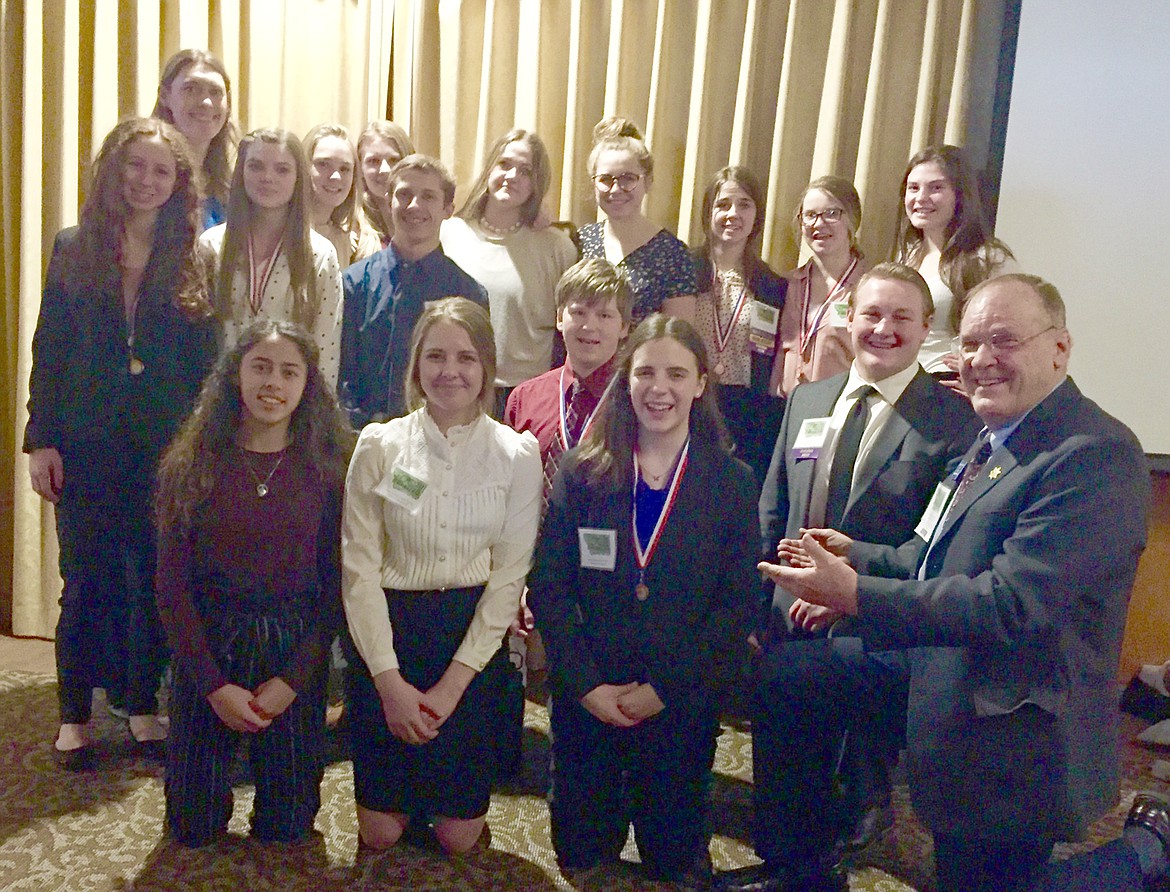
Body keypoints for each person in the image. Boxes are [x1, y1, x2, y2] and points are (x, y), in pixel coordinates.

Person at [724, 274, 1155, 892]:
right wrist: (859, 557)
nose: (981, 361)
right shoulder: (990, 440)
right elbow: (925, 558)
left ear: (1059, 348)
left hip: (1012, 716)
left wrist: (853, 594)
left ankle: (1142, 852)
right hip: (943, 662)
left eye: (1002, 342)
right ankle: (804, 871)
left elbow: (1012, 603)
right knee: (796, 679)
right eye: (971, 343)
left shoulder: (1093, 454)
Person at [527, 315, 759, 888]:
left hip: (678, 705)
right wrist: (585, 686)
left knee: (672, 860)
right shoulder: (583, 472)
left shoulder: (731, 482)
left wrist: (663, 691)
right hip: (590, 703)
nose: (660, 388)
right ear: (625, 379)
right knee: (582, 855)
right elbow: (550, 587)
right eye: (646, 371)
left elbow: (736, 608)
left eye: (677, 374)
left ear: (702, 383)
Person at [756, 261, 978, 854]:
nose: (883, 327)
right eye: (872, 313)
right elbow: (773, 509)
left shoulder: (955, 422)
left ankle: (855, 821)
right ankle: (784, 855)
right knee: (784, 760)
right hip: (788, 608)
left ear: (927, 326)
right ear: (849, 319)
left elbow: (936, 548)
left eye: (902, 316)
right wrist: (761, 605)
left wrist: (847, 589)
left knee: (851, 784)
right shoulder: (808, 399)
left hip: (877, 621)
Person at [24, 117, 217, 769]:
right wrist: (39, 439)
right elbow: (48, 348)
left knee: (152, 581)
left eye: (162, 170)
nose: (147, 180)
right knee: (83, 581)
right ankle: (73, 714)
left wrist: (200, 452)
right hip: (84, 445)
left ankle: (140, 706)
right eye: (136, 165)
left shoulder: (191, 258)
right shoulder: (74, 245)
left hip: (163, 451)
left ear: (178, 184)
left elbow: (203, 367)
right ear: (114, 169)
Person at [341, 298, 542, 855]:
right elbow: (358, 571)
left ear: (487, 369)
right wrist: (388, 683)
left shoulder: (516, 453)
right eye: (435, 356)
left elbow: (508, 578)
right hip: (391, 632)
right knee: (380, 835)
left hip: (469, 639)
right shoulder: (380, 444)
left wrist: (454, 686)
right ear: (415, 367)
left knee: (458, 840)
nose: (450, 371)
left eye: (466, 357)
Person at [154, 320, 353, 847]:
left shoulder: (329, 470)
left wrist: (293, 681)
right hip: (211, 641)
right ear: (234, 375)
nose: (273, 383)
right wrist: (213, 686)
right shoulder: (190, 464)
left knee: (286, 830)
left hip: (294, 645)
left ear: (307, 385)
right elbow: (172, 589)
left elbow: (335, 590)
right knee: (191, 829)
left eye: (290, 372)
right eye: (260, 367)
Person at [339, 154, 487, 428]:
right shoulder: (354, 283)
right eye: (404, 194)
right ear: (388, 200)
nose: (414, 205)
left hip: (441, 439)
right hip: (362, 437)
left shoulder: (469, 293)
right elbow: (340, 372)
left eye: (428, 196)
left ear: (448, 209)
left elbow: (475, 382)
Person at [441, 128, 577, 411]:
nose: (512, 176)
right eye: (504, 164)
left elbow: (566, 332)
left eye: (525, 171)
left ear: (536, 183)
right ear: (490, 168)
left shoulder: (557, 247)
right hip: (456, 385)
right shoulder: (449, 233)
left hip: (526, 394)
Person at [199, 128, 344, 389]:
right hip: (221, 401)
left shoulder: (320, 255)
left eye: (282, 169)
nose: (267, 177)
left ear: (299, 177)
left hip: (287, 404)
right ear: (240, 173)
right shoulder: (211, 246)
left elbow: (326, 354)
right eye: (255, 166)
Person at [691, 166, 787, 485]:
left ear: (757, 215)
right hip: (692, 402)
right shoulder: (684, 272)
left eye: (744, 204)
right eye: (723, 204)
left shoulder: (772, 286)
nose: (733, 214)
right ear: (708, 212)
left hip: (748, 413)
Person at [894, 144, 1017, 379]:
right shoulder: (906, 257)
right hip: (902, 383)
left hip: (950, 388)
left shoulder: (988, 259)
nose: (921, 198)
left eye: (936, 188)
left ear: (960, 195)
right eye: (913, 188)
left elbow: (1015, 331)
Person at [578, 117, 696, 324]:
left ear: (648, 182)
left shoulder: (673, 255)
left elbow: (677, 339)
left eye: (628, 179)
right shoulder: (579, 241)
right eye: (605, 179)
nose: (615, 189)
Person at [776, 176, 868, 396]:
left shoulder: (869, 289)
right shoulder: (786, 285)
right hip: (781, 412)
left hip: (837, 410)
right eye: (810, 215)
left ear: (852, 220)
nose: (818, 224)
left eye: (831, 214)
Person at [152, 49, 237, 231]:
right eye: (191, 89)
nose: (206, 102)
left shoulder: (230, 191)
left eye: (215, 92)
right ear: (165, 96)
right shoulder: (145, 179)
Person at [304, 123, 381, 267]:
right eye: (323, 164)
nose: (335, 176)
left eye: (345, 168)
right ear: (304, 167)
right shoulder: (284, 232)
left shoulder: (343, 241)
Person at [357, 120, 414, 247]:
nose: (385, 170)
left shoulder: (425, 218)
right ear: (360, 168)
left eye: (394, 160)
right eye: (373, 161)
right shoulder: (350, 229)